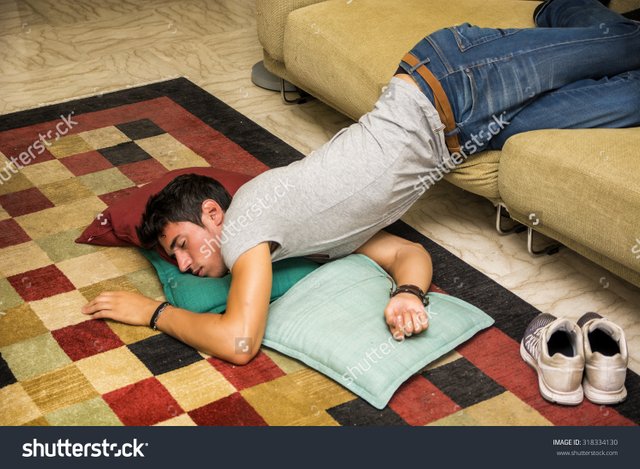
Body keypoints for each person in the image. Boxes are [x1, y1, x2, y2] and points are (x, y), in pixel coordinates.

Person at [82, 0, 640, 365]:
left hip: (450, 82)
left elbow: (240, 341)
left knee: (624, 45)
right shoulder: (307, 236)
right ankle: (579, 18)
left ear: (212, 215)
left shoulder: (246, 221)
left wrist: (151, 313)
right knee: (629, 94)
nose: (183, 265)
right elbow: (408, 253)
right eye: (175, 261)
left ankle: (561, 8)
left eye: (180, 245)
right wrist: (405, 296)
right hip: (471, 131)